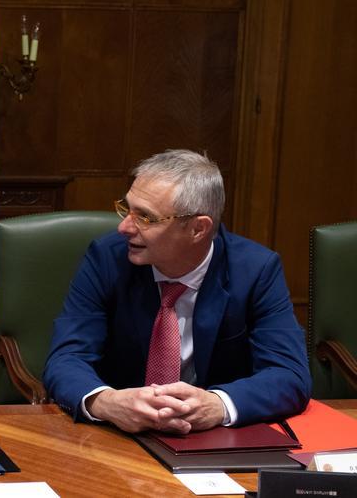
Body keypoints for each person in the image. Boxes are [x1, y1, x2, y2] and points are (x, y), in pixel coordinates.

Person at [43, 149, 309, 434]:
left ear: (197, 229)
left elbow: (289, 374)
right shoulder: (106, 259)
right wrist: (107, 401)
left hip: (216, 442)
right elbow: (66, 358)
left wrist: (217, 405)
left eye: (145, 217)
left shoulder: (256, 271)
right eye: (127, 209)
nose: (124, 227)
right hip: (117, 437)